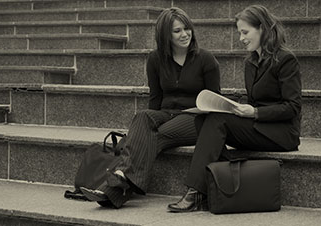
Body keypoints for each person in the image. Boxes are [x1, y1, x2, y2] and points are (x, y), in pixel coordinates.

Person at [80, 7, 221, 208]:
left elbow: (216, 102)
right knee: (142, 117)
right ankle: (119, 183)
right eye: (177, 31)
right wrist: (141, 129)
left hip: (196, 118)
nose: (184, 34)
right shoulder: (155, 59)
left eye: (186, 28)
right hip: (166, 113)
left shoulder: (206, 59)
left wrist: (139, 138)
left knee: (154, 136)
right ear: (165, 35)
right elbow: (155, 98)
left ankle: (114, 188)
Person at [168, 5, 302, 212]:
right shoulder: (251, 62)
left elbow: (292, 107)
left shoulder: (285, 60)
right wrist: (236, 107)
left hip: (281, 133)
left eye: (245, 32)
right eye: (239, 32)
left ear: (262, 29)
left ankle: (195, 192)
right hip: (259, 126)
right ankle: (222, 178)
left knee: (218, 121)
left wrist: (255, 112)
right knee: (203, 119)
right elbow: (257, 99)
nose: (241, 38)